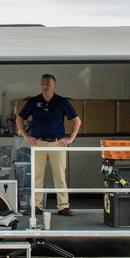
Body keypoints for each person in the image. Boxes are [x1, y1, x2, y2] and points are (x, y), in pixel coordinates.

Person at [15, 74, 81, 216]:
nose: (45, 87)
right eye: (43, 84)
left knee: (60, 175)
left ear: (54, 85)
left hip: (57, 142)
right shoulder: (34, 101)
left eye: (48, 84)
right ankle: (36, 206)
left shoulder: (62, 102)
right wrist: (25, 136)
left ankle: (63, 206)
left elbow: (77, 120)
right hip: (38, 142)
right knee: (37, 175)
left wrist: (70, 138)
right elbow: (19, 118)